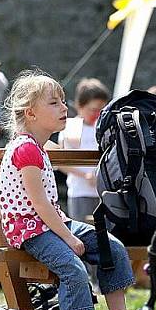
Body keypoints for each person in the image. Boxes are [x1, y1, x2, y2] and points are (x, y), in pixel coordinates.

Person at [0, 71, 136, 310]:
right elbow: (40, 204)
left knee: (112, 247)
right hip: (31, 229)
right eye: (54, 103)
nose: (64, 108)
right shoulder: (25, 149)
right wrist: (70, 239)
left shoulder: (39, 145)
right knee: (73, 269)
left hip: (50, 224)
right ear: (31, 113)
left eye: (62, 101)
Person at [58, 78, 109, 222]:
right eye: (93, 110)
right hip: (80, 192)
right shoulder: (71, 127)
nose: (98, 114)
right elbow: (62, 162)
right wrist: (85, 175)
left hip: (104, 193)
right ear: (80, 106)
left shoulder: (104, 128)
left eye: (102, 110)